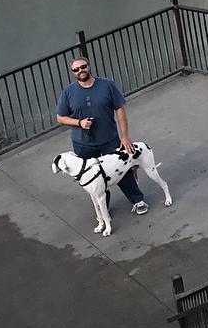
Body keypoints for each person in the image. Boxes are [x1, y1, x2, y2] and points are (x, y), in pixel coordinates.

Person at [55, 58, 149, 215]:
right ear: (73, 73)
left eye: (83, 67)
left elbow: (120, 110)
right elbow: (60, 117)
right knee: (91, 176)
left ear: (89, 66)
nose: (80, 71)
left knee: (123, 171)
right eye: (76, 70)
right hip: (83, 144)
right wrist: (79, 123)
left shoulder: (107, 85)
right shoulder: (68, 92)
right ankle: (103, 204)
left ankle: (137, 200)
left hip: (109, 140)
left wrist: (125, 137)